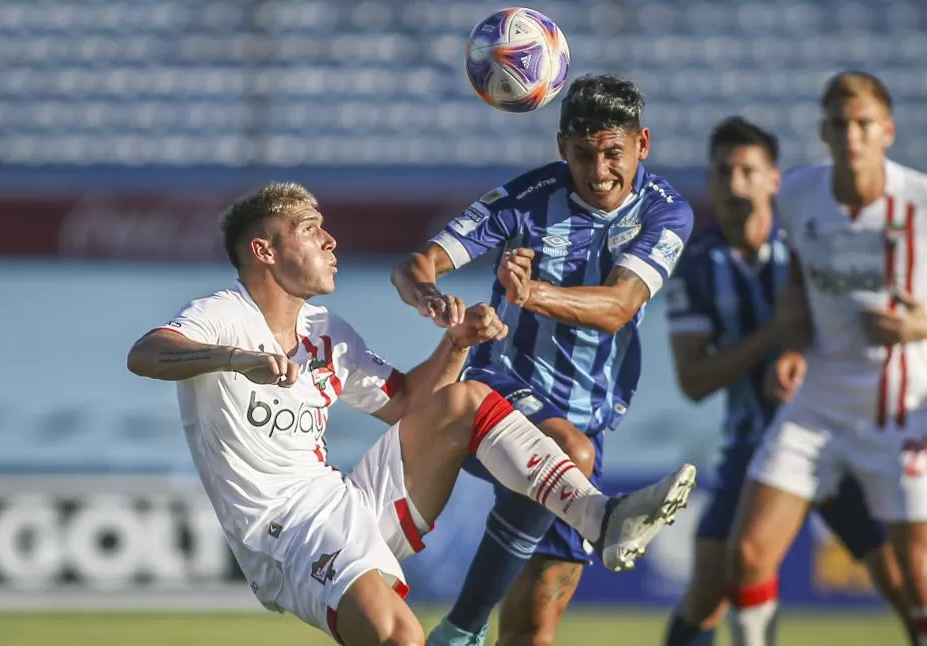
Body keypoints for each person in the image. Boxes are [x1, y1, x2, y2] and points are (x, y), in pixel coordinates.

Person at [126, 182, 697, 646]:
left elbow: (409, 405)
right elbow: (146, 353)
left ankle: (599, 518)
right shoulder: (225, 314)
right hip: (283, 531)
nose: (329, 239)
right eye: (309, 229)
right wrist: (234, 359)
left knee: (465, 401)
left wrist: (459, 344)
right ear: (264, 251)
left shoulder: (326, 331)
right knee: (398, 637)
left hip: (345, 501)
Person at [392, 74, 697, 646]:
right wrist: (432, 298)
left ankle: (465, 630)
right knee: (567, 452)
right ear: (563, 149)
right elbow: (416, 263)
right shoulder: (527, 199)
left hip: (588, 416)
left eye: (613, 153)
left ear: (643, 145)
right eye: (584, 155)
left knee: (534, 632)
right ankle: (459, 630)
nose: (600, 170)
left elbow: (619, 306)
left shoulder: (666, 214)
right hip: (500, 387)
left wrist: (530, 294)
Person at [663, 116, 911, 646]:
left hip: (839, 437)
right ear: (709, 181)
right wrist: (775, 335)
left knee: (900, 578)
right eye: (724, 172)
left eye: (749, 171)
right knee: (709, 589)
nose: (736, 184)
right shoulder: (695, 269)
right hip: (753, 448)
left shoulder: (815, 246)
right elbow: (694, 380)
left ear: (776, 179)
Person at [727, 70, 927, 646]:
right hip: (816, 401)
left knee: (916, 576)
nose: (851, 135)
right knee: (748, 553)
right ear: (823, 130)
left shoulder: (918, 200)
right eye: (839, 124)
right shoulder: (798, 194)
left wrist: (917, 324)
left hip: (900, 407)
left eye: (863, 124)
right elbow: (796, 280)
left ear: (886, 130)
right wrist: (790, 343)